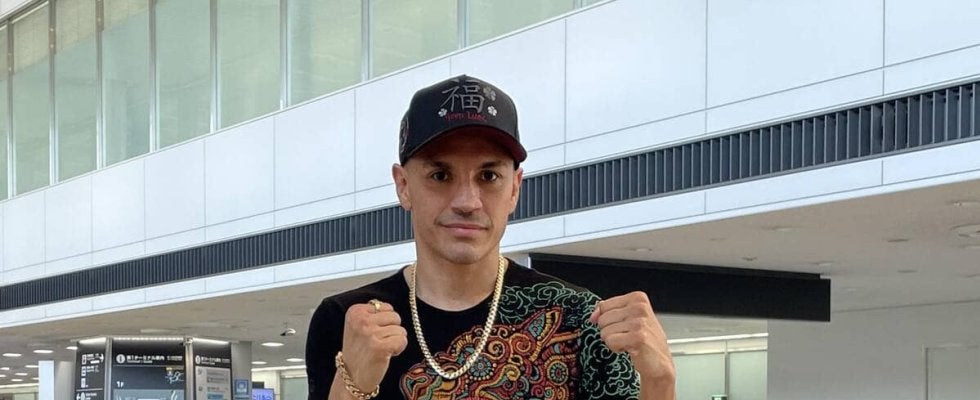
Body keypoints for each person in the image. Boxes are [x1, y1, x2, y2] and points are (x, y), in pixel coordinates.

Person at [306, 75, 676, 400]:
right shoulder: (348, 321)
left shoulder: (581, 318)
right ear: (403, 186)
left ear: (514, 188)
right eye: (440, 176)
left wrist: (660, 382)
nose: (467, 202)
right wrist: (352, 386)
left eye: (488, 177)